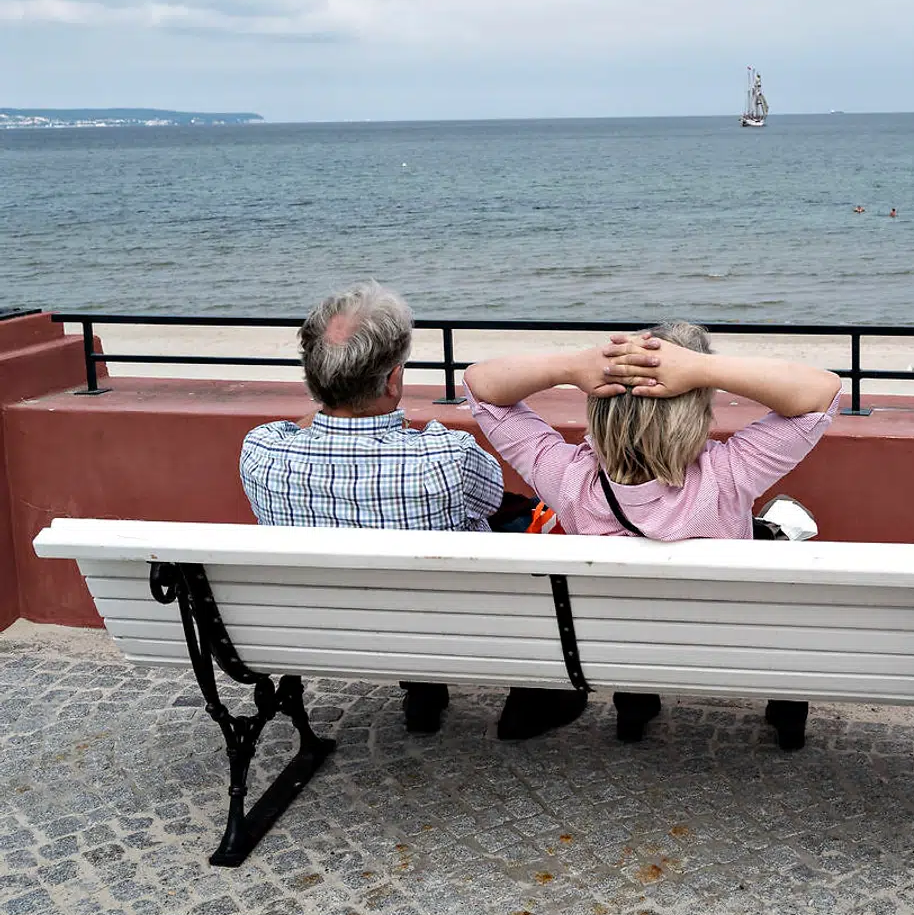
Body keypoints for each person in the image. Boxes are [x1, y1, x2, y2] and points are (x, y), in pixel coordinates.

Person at [463, 320, 842, 748]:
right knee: (777, 560)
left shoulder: (568, 481)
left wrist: (573, 366)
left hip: (623, 643)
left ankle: (635, 709)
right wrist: (703, 369)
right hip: (733, 636)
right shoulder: (729, 475)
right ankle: (788, 721)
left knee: (631, 604)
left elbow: (481, 387)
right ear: (696, 413)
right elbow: (821, 393)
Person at [238, 281, 587, 739]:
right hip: (450, 624)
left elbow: (298, 427)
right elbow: (490, 498)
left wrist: (333, 405)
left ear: (315, 379)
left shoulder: (260, 452)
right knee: (518, 521)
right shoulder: (448, 454)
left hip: (325, 628)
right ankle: (537, 693)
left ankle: (424, 689)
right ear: (393, 379)